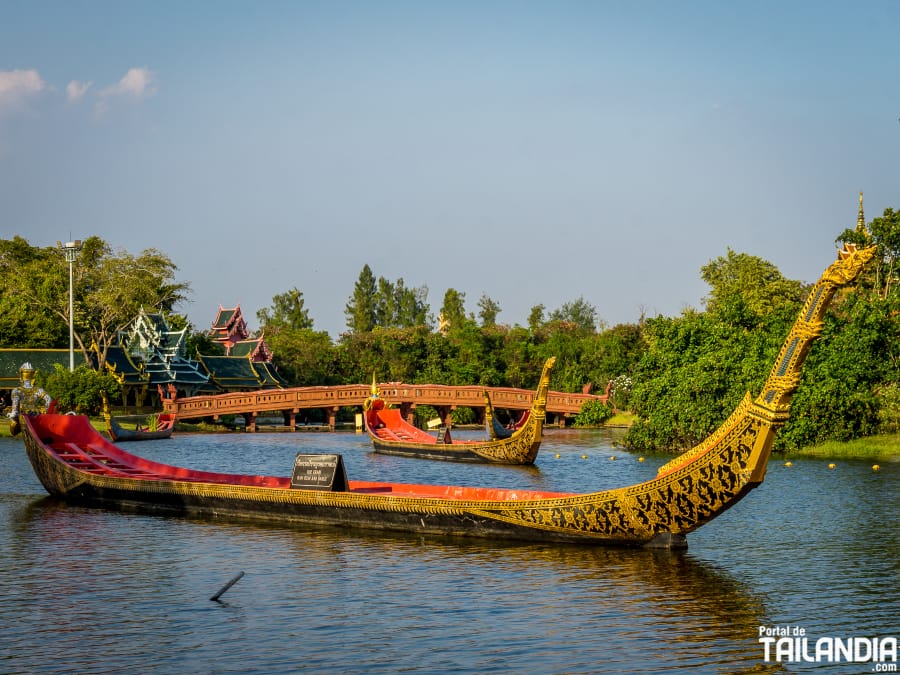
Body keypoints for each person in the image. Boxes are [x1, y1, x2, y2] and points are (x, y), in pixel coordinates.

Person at [7, 362, 52, 436]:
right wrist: (45, 412)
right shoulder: (38, 390)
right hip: (36, 415)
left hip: (24, 417)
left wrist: (13, 415)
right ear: (32, 376)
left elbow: (15, 408)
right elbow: (49, 399)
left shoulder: (17, 390)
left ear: (21, 376)